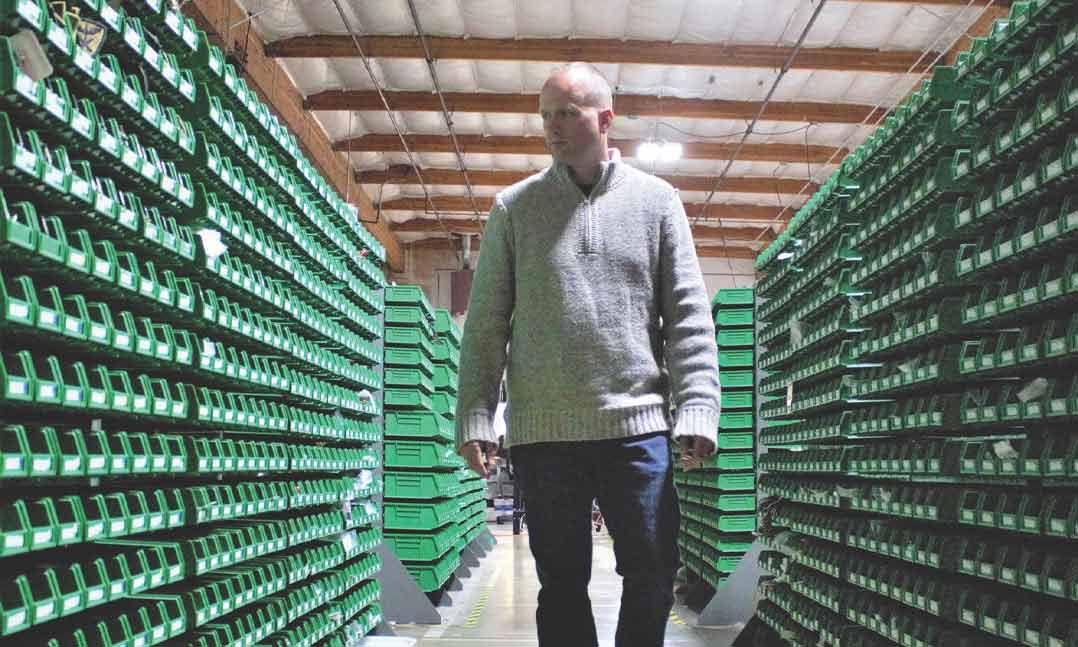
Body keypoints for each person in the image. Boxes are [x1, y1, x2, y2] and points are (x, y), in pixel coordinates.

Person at [454, 62, 721, 647]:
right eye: (545, 115)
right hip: (544, 432)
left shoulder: (657, 203)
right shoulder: (514, 209)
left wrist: (699, 406)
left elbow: (688, 318)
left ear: (605, 119)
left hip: (637, 427)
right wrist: (476, 416)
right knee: (561, 582)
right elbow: (485, 326)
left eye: (566, 114)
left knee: (651, 570)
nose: (552, 127)